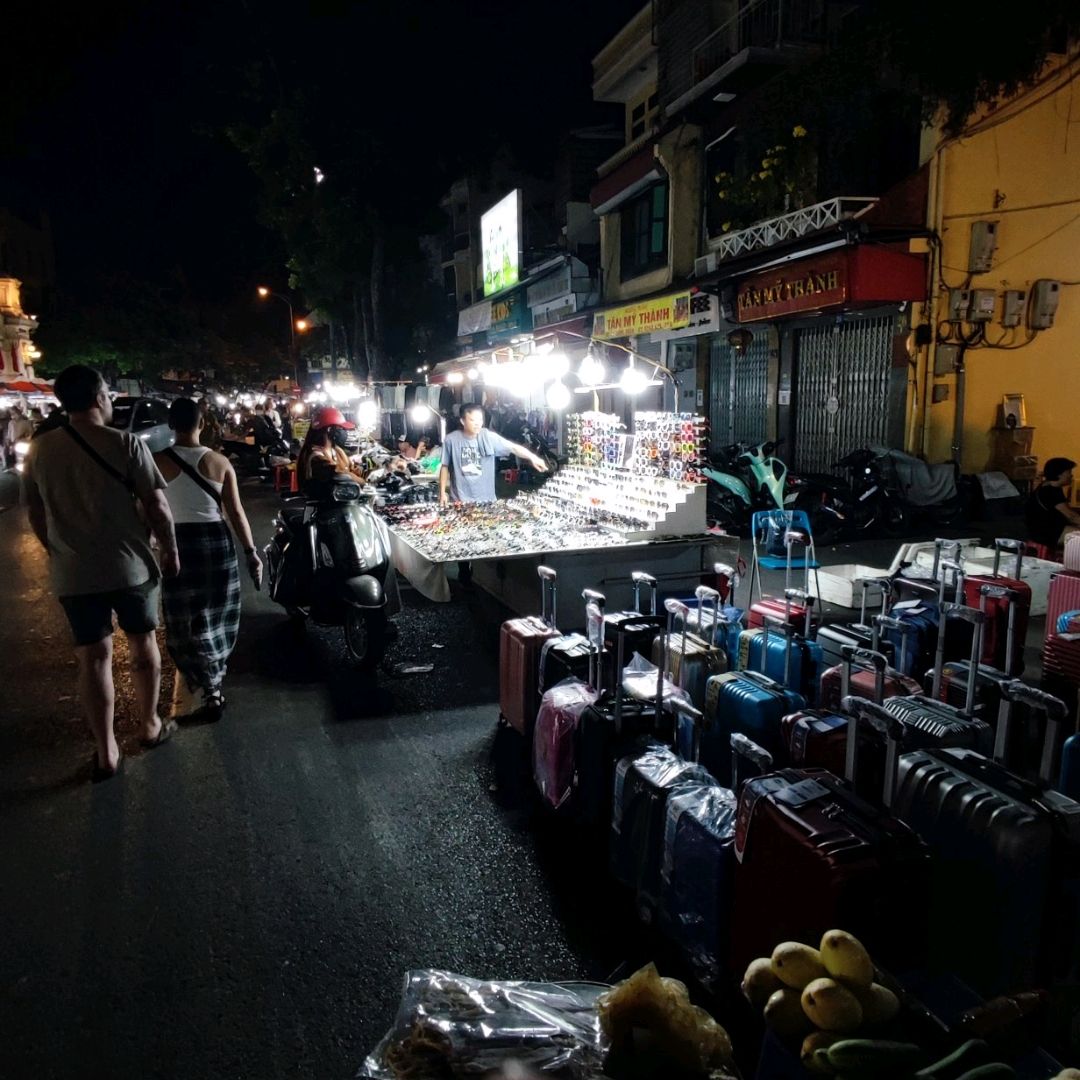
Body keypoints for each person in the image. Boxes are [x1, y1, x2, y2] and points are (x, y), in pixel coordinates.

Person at [22, 364, 181, 781]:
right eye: (108, 393)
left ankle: (106, 750)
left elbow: (35, 510)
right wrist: (170, 550)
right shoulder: (126, 444)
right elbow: (158, 507)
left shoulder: (39, 450)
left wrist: (54, 550)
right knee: (143, 644)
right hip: (130, 567)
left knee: (93, 657)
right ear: (98, 398)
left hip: (75, 574)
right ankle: (148, 725)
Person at [153, 399, 262, 722]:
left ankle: (195, 676)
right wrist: (250, 551)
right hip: (215, 542)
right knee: (217, 613)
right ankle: (213, 685)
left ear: (172, 424)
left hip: (176, 543)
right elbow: (236, 513)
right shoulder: (219, 462)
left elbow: (145, 510)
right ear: (202, 424)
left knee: (182, 615)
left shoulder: (155, 462)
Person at [439, 403, 548, 587]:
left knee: (488, 537)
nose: (477, 423)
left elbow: (513, 448)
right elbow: (444, 466)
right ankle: (464, 572)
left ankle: (491, 576)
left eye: (480, 419)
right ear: (462, 420)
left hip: (487, 500)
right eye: (472, 420)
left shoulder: (488, 437)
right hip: (461, 500)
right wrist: (442, 491)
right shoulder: (451, 440)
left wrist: (533, 457)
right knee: (464, 539)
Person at [296, 406, 365, 491]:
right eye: (340, 428)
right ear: (329, 430)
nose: (344, 432)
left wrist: (363, 470)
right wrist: (362, 482)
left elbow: (350, 468)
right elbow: (335, 472)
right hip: (324, 502)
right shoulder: (314, 455)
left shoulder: (336, 450)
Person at [1026, 456, 1080, 549]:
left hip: (1048, 529)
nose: (1071, 475)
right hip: (1046, 533)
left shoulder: (1047, 486)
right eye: (1069, 472)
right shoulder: (1050, 491)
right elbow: (1071, 516)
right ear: (1059, 474)